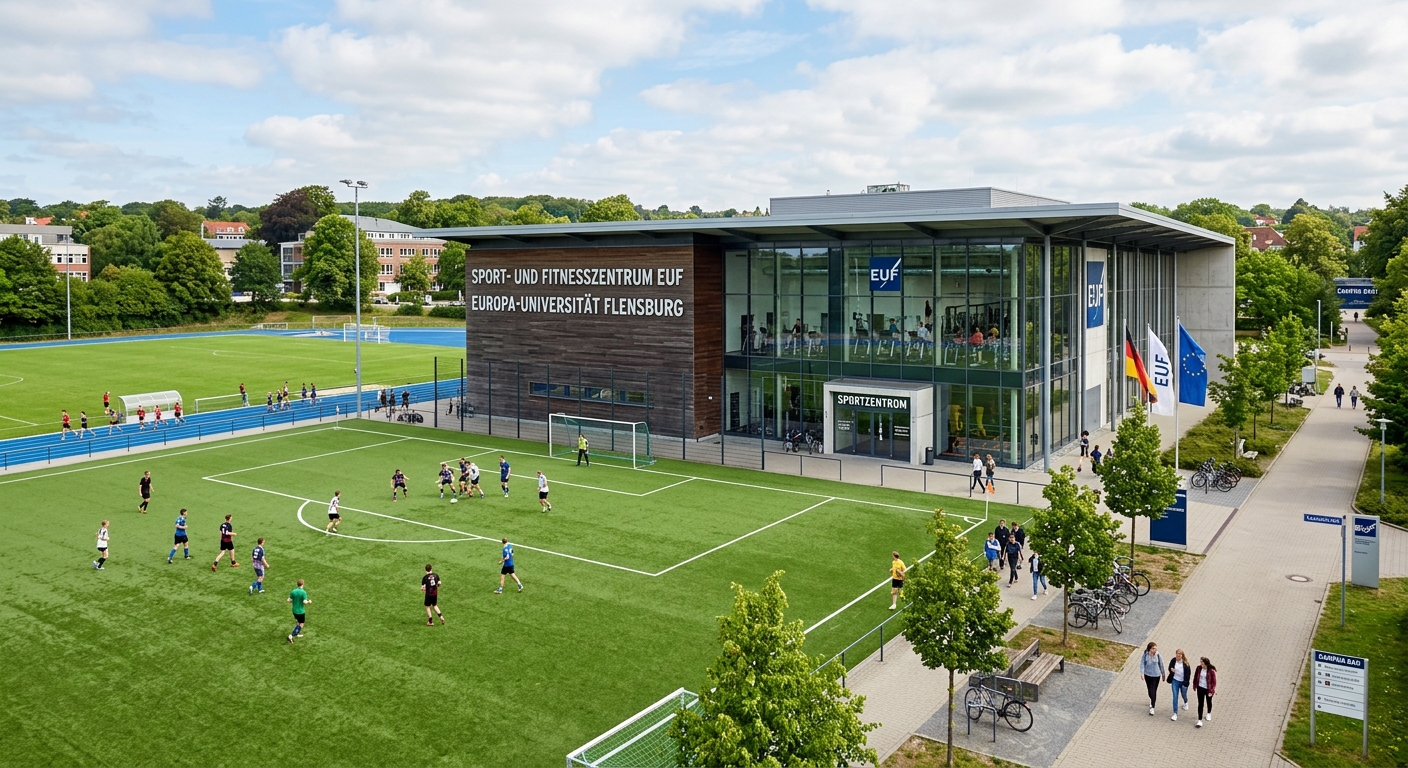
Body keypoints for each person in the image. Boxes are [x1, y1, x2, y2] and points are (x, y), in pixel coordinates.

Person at [1192, 657, 1217, 727]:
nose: (1201, 664)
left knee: (1209, 701)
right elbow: (1195, 676)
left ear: (1206, 663)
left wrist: (1212, 690)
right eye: (1200, 662)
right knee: (1200, 703)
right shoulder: (1198, 668)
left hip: (1208, 689)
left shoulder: (1211, 671)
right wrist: (1194, 685)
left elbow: (1214, 682)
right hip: (1200, 688)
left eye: (1202, 663)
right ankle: (1199, 720)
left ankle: (1209, 713)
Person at [1141, 642, 1164, 715]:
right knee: (1149, 691)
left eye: (1155, 649)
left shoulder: (1157, 655)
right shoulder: (1145, 654)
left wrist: (1163, 674)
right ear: (1149, 649)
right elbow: (1142, 663)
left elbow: (1161, 664)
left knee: (1153, 691)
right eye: (1153, 648)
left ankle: (1152, 707)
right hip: (1147, 675)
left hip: (1156, 675)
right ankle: (1152, 700)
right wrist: (1142, 673)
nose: (1155, 650)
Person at [1168, 649, 1191, 720]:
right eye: (1177, 653)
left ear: (1182, 655)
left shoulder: (1185, 663)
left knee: (1183, 694)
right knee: (1175, 696)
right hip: (1175, 681)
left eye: (1180, 654)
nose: (1178, 655)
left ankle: (1186, 702)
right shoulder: (1173, 660)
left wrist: (1186, 683)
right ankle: (1175, 713)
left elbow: (1188, 674)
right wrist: (1171, 669)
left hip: (1183, 682)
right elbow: (1170, 667)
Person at [287, 579, 310, 643]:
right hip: (300, 611)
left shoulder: (293, 591)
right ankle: (291, 636)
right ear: (303, 584)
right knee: (301, 624)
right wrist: (309, 602)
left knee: (298, 622)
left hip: (294, 610)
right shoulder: (303, 592)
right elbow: (304, 602)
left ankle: (297, 633)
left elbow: (289, 600)